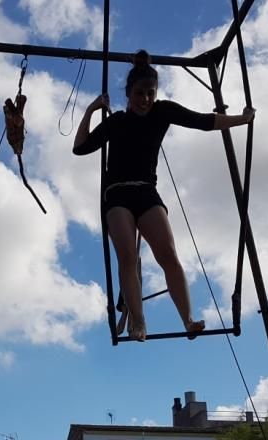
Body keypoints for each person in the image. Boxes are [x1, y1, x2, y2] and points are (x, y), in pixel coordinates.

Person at [73, 50, 255, 341]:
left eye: (149, 93)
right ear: (128, 94)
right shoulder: (117, 121)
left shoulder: (163, 112)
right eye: (138, 94)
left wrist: (241, 120)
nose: (145, 99)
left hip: (146, 191)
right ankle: (139, 323)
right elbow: (80, 147)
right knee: (128, 257)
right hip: (117, 194)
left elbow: (204, 121)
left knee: (169, 255)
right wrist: (92, 110)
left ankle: (188, 320)